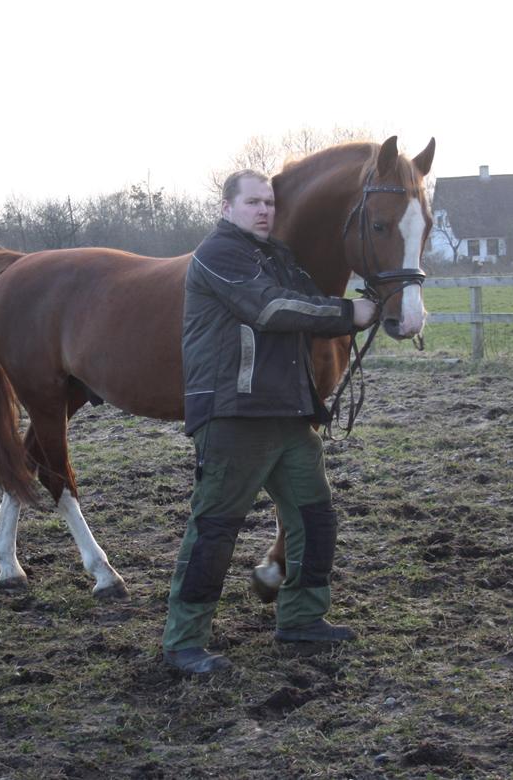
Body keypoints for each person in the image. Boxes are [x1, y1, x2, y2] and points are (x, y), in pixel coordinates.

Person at [162, 170, 377, 674]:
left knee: (314, 517)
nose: (264, 210)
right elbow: (273, 308)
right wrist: (351, 314)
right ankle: (184, 642)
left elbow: (313, 298)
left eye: (270, 203)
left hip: (287, 414)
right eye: (253, 202)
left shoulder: (278, 258)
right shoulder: (218, 256)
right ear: (226, 207)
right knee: (214, 530)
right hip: (235, 416)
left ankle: (301, 617)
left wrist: (376, 299)